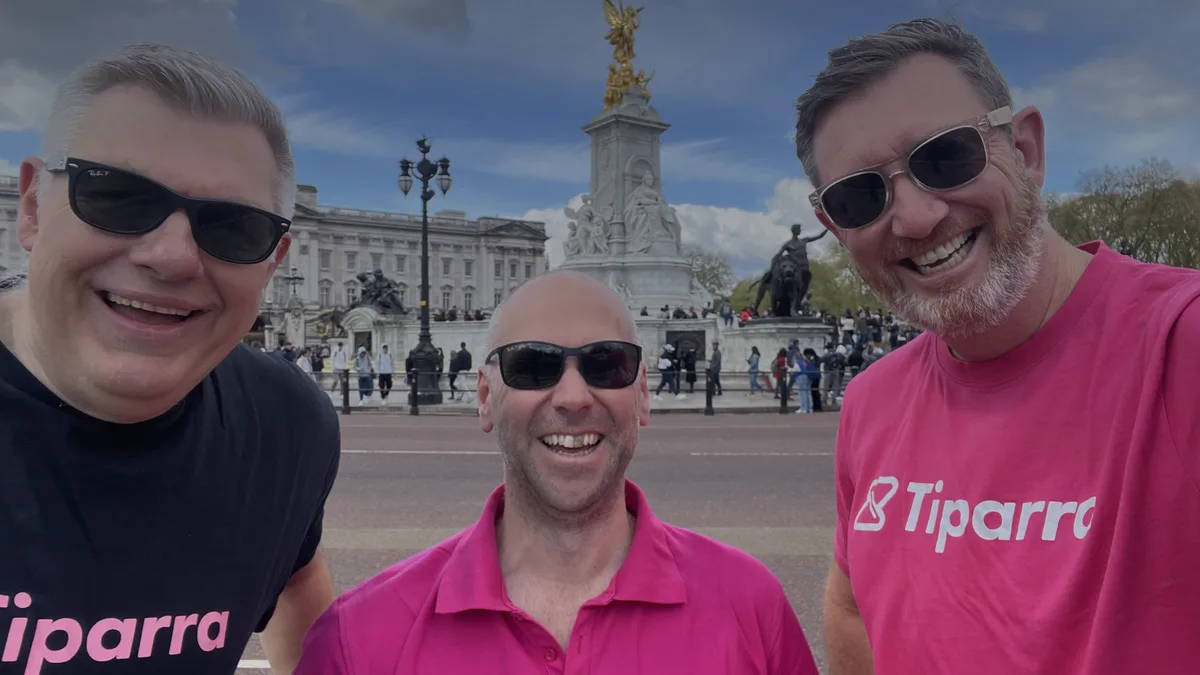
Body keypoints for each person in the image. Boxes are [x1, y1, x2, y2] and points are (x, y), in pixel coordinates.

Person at [794, 18, 1200, 675]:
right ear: (834, 227)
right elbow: (852, 607)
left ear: (1027, 150)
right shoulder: (870, 400)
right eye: (860, 196)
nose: (917, 218)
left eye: (945, 157)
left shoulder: (1182, 345)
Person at [0, 44, 341, 674]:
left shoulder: (288, 420)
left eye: (234, 227)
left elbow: (297, 574)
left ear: (272, 262)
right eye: (119, 198)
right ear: (32, 209)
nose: (172, 257)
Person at [294, 271, 819, 674]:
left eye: (607, 363)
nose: (572, 397)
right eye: (532, 366)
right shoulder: (357, 638)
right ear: (485, 398)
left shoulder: (754, 605)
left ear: (642, 396)